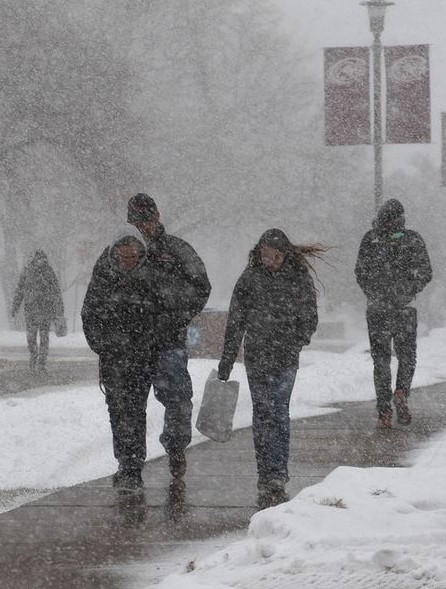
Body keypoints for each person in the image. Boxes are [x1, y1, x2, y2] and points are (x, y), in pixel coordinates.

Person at [217, 228, 321, 508]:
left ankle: (278, 473)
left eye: (274, 256)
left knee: (279, 411)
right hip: (258, 358)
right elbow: (235, 322)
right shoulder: (249, 280)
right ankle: (266, 472)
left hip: (286, 359)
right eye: (264, 255)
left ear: (284, 255)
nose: (269, 261)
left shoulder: (298, 280)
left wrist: (297, 341)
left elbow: (310, 317)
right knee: (263, 413)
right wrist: (227, 361)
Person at [126, 193, 211, 486]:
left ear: (157, 217)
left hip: (168, 341)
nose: (143, 228)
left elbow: (201, 285)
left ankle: (176, 449)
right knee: (130, 405)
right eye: (137, 223)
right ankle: (130, 466)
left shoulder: (176, 249)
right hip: (132, 343)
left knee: (177, 398)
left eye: (147, 221)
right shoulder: (123, 253)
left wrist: (177, 314)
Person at [81, 225, 161, 494]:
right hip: (113, 357)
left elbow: (161, 310)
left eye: (133, 256)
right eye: (124, 256)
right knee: (117, 409)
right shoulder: (102, 273)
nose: (129, 261)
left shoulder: (150, 275)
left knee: (136, 410)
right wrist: (102, 345)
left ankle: (133, 467)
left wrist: (149, 339)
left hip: (141, 356)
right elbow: (89, 312)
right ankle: (124, 463)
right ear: (115, 254)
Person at [354, 199, 432, 429]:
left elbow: (360, 271)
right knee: (407, 356)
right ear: (402, 218)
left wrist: (373, 293)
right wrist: (409, 290)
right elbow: (426, 272)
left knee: (381, 360)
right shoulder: (413, 239)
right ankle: (401, 391)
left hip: (377, 309)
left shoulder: (371, 239)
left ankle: (384, 411)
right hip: (404, 310)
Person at [11, 250, 64, 373]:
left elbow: (56, 292)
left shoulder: (49, 272)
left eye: (43, 259)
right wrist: (15, 306)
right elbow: (20, 290)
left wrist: (59, 310)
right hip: (32, 312)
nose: (42, 261)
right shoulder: (28, 272)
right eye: (39, 259)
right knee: (32, 337)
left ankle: (41, 362)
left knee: (44, 337)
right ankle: (34, 356)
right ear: (35, 260)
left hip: (45, 312)